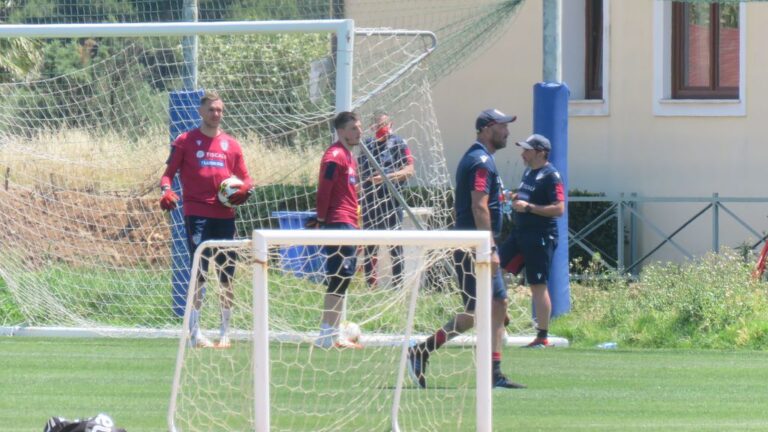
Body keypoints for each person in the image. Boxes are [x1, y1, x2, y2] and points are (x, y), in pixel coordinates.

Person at [407, 109, 526, 389]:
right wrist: (489, 247)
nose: (507, 131)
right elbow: (478, 205)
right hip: (475, 247)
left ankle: (492, 372)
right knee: (480, 311)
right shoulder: (480, 161)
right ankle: (423, 350)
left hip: (477, 244)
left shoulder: (482, 159)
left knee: (495, 307)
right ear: (485, 129)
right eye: (501, 126)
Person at [159, 91, 253, 349]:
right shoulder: (185, 141)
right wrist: (166, 191)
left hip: (225, 216)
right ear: (201, 111)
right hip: (197, 214)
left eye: (219, 110)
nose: (216, 114)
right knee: (199, 273)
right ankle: (195, 332)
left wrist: (246, 190)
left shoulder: (232, 145)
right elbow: (167, 175)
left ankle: (225, 332)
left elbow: (246, 179)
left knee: (226, 275)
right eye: (211, 110)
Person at [502, 133, 565, 348]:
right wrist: (514, 197)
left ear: (540, 153)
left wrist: (528, 207)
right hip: (520, 233)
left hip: (540, 237)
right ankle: (501, 312)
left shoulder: (551, 175)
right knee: (492, 268)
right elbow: (526, 197)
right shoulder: (529, 172)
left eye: (527, 150)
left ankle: (542, 337)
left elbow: (559, 208)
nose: (523, 153)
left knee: (538, 285)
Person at [308, 111, 363, 349]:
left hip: (349, 223)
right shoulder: (334, 156)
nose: (359, 132)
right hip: (339, 223)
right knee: (339, 278)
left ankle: (334, 331)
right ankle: (326, 332)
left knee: (343, 278)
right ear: (341, 132)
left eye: (359, 127)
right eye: (353, 128)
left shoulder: (349, 156)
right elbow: (324, 188)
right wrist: (321, 219)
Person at [357, 110, 414, 289]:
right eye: (379, 125)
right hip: (370, 201)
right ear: (373, 126)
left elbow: (409, 170)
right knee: (370, 245)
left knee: (394, 244)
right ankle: (370, 286)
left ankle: (397, 286)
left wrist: (387, 177)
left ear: (391, 124)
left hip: (391, 201)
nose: (382, 128)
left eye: (385, 124)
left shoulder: (399, 143)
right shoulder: (367, 145)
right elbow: (359, 171)